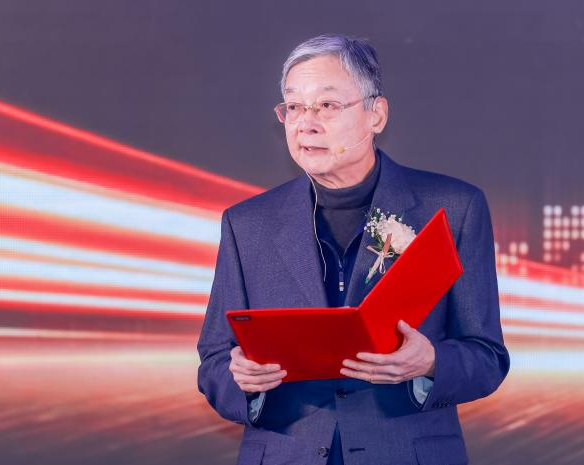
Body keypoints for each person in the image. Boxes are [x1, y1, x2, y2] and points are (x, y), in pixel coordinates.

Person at [197, 34, 509, 465]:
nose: (306, 123)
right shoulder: (247, 223)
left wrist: (431, 362)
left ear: (375, 114)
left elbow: (487, 356)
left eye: (326, 105)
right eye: (294, 106)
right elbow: (214, 360)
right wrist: (244, 381)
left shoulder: (453, 208)